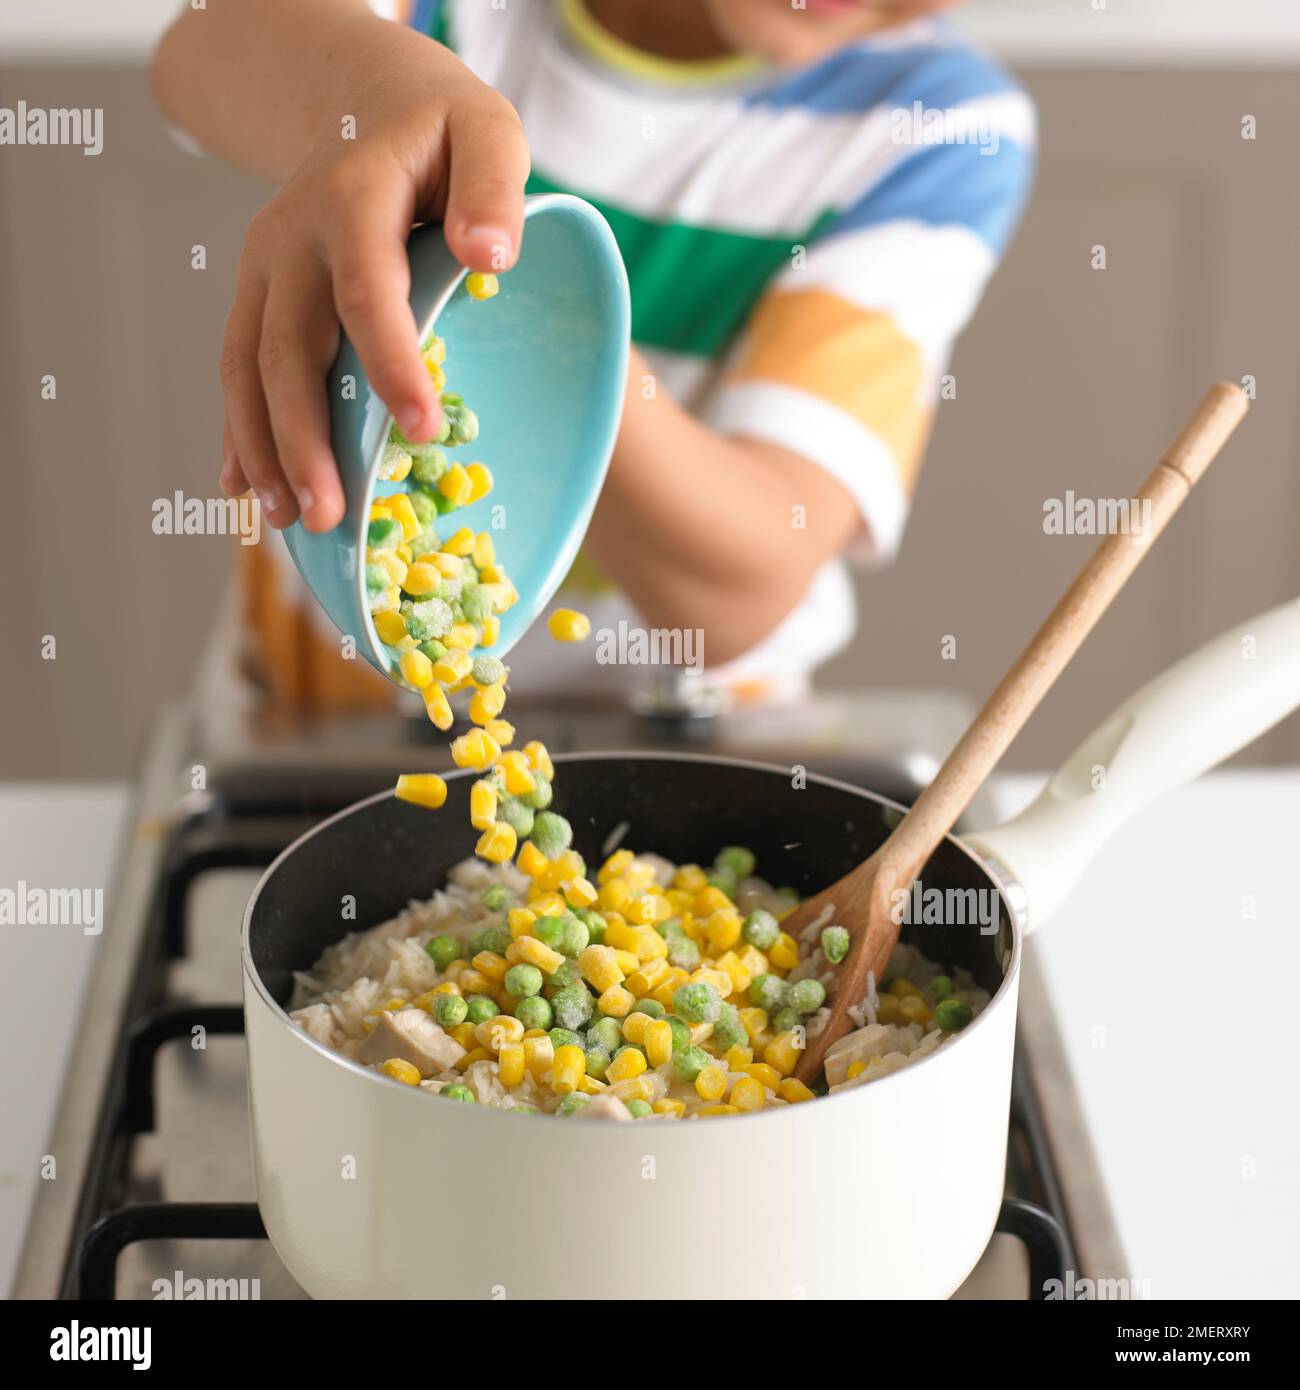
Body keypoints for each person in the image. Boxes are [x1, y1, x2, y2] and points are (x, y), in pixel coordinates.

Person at [152, 0, 1034, 709]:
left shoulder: (939, 126)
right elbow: (198, 47)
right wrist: (378, 98)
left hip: (690, 743)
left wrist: (556, 323)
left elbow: (740, 589)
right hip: (322, 703)